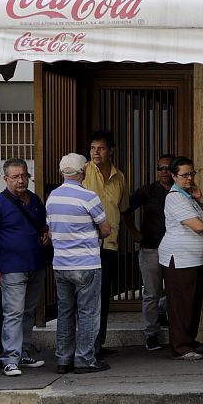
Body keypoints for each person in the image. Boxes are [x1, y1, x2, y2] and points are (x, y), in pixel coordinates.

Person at [0, 158, 48, 377]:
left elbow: (43, 224)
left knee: (28, 311)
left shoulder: (35, 200)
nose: (21, 180)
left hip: (36, 265)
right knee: (13, 312)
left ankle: (22, 352)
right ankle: (9, 358)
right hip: (11, 267)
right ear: (5, 178)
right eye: (16, 177)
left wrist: (46, 233)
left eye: (24, 176)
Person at [46, 154, 113, 374]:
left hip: (61, 265)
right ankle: (85, 359)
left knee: (65, 312)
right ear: (83, 171)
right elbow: (105, 229)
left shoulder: (52, 198)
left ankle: (63, 359)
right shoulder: (88, 196)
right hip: (86, 263)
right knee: (88, 313)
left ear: (61, 172)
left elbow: (51, 227)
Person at [159, 157, 203, 361]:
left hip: (194, 259)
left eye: (192, 174)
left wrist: (200, 199)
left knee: (193, 302)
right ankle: (180, 346)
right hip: (179, 258)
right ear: (174, 176)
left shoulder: (189, 196)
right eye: (184, 175)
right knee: (181, 304)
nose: (189, 178)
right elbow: (200, 226)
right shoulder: (174, 197)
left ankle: (189, 341)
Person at [82, 130, 128, 358]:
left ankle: (98, 343)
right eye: (92, 148)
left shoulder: (119, 176)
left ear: (110, 150)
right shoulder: (83, 170)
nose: (95, 153)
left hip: (109, 243)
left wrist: (135, 232)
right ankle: (85, 346)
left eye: (100, 148)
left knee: (103, 295)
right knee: (86, 297)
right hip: (86, 243)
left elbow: (123, 208)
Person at [123, 154, 175, 352]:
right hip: (150, 247)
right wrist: (133, 232)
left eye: (167, 168)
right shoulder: (148, 190)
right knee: (151, 292)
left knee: (172, 291)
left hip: (175, 248)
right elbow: (125, 209)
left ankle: (162, 311)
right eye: (160, 168)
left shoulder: (180, 190)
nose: (163, 172)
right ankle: (151, 334)